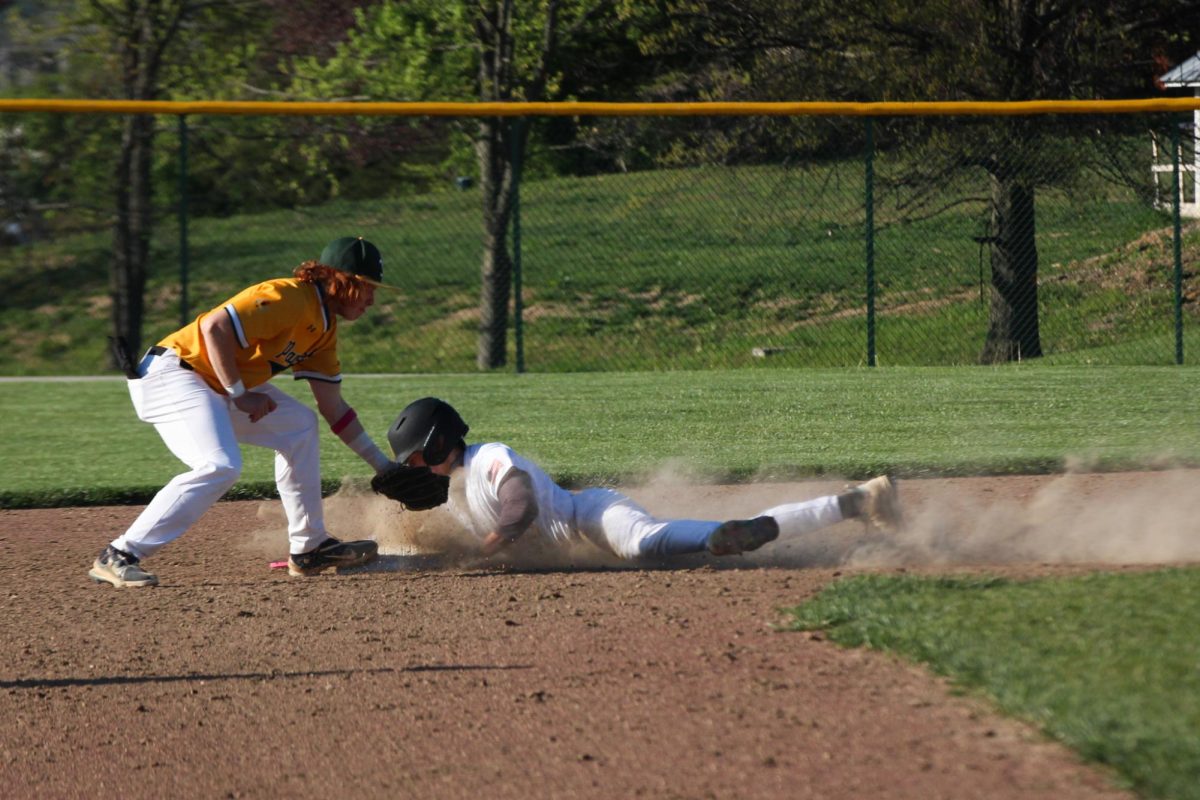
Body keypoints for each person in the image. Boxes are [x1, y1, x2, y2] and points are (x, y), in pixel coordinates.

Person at [90, 237, 399, 587]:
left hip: (216, 385)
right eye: (367, 287)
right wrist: (240, 394)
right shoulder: (289, 296)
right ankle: (119, 553)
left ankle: (309, 548)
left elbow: (334, 409)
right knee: (220, 465)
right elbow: (214, 327)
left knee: (299, 425)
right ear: (341, 280)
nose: (373, 299)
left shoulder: (323, 330)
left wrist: (384, 467)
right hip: (175, 375)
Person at [381, 397, 903, 563]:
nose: (415, 472)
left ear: (436, 445)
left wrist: (491, 544)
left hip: (593, 516)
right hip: (579, 533)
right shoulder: (455, 494)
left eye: (416, 461)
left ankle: (855, 502)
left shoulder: (491, 457)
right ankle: (859, 500)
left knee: (645, 546)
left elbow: (520, 506)